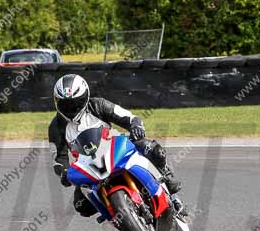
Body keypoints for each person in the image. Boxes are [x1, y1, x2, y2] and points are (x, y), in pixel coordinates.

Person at [48, 74, 183, 218]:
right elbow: (58, 158)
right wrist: (63, 172)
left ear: (85, 97)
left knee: (153, 150)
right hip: (87, 164)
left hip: (115, 146)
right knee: (81, 206)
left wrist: (135, 126)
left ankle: (166, 176)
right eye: (65, 104)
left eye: (76, 102)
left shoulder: (98, 105)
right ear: (57, 102)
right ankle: (115, 209)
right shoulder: (55, 127)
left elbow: (128, 117)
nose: (71, 108)